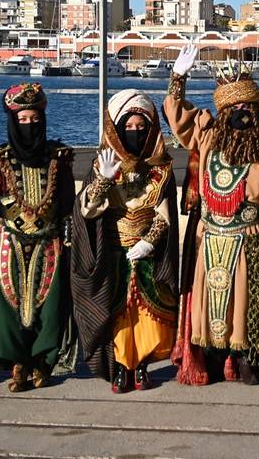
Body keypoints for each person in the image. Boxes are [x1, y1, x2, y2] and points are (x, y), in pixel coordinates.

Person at [164, 45, 259, 385]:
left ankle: (248, 359)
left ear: (256, 108)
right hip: (210, 236)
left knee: (250, 302)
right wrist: (178, 78)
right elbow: (178, 118)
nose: (241, 112)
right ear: (223, 111)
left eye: (246, 106)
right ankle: (212, 357)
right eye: (233, 107)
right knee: (209, 303)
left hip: (250, 235)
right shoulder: (207, 136)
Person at [72, 89, 178, 393]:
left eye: (140, 128)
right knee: (117, 312)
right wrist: (104, 179)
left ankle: (141, 365)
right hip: (114, 251)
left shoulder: (161, 169)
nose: (134, 133)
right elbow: (88, 209)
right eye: (128, 128)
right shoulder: (102, 163)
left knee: (145, 313)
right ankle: (120, 366)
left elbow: (164, 215)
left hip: (147, 252)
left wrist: (148, 241)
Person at [0, 83, 77, 392]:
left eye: (35, 120)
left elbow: (67, 202)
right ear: (12, 121)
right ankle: (17, 364)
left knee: (51, 305)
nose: (30, 126)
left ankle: (43, 362)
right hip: (9, 242)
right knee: (9, 308)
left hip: (50, 242)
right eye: (23, 120)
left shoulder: (59, 157)